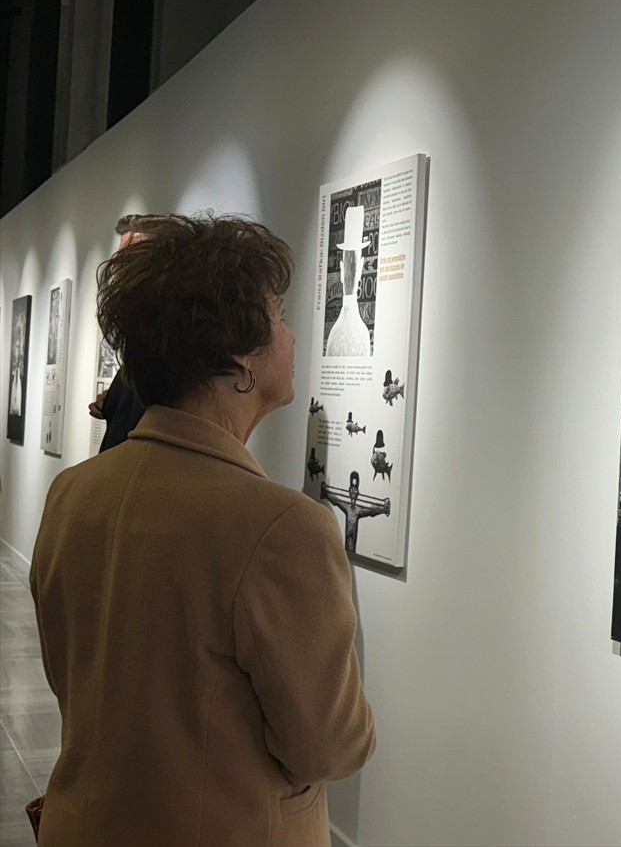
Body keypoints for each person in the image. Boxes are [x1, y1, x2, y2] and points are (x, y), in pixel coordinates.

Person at [30, 213, 374, 845]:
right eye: (279, 317)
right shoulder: (283, 528)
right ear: (239, 357)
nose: (294, 337)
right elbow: (331, 747)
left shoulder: (73, 493)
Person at [87, 215, 156, 451]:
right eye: (120, 260)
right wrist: (114, 400)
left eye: (133, 260)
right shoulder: (141, 334)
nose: (120, 270)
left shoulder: (173, 343)